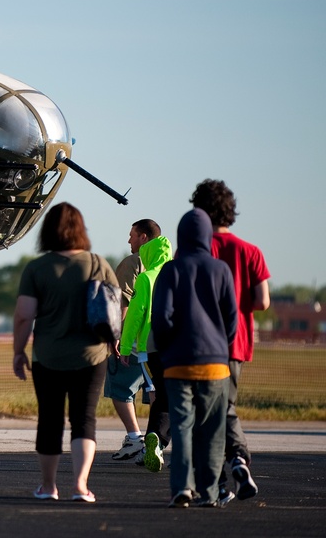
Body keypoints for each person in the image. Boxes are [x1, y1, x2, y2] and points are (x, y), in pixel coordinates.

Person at [12, 202, 113, 503]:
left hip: (48, 356)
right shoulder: (99, 264)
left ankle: (48, 487)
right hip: (92, 356)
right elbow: (114, 309)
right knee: (85, 420)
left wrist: (18, 351)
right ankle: (81, 487)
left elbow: (23, 316)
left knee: (50, 420)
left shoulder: (37, 268)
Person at [190, 179, 270, 505]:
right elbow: (262, 301)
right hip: (235, 345)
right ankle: (236, 462)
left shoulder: (194, 250)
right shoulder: (250, 252)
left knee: (202, 414)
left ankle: (221, 478)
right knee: (225, 406)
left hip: (199, 345)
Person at [152, 208, 238, 508]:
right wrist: (219, 346)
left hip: (177, 363)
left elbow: (160, 319)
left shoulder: (170, 271)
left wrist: (167, 350)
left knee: (182, 427)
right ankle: (210, 492)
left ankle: (182, 488)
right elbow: (231, 321)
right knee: (212, 432)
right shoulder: (221, 270)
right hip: (215, 365)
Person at [117, 223, 173, 472]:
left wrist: (126, 346)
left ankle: (154, 442)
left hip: (151, 347)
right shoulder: (178, 273)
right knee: (173, 396)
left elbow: (135, 315)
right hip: (182, 346)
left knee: (158, 394)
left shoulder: (146, 277)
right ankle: (161, 443)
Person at [107, 220, 164, 462]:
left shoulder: (134, 263)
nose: (128, 240)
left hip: (135, 340)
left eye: (131, 235)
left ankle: (134, 438)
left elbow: (125, 303)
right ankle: (156, 440)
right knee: (155, 393)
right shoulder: (168, 265)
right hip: (160, 341)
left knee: (118, 388)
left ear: (143, 238)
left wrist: (116, 336)